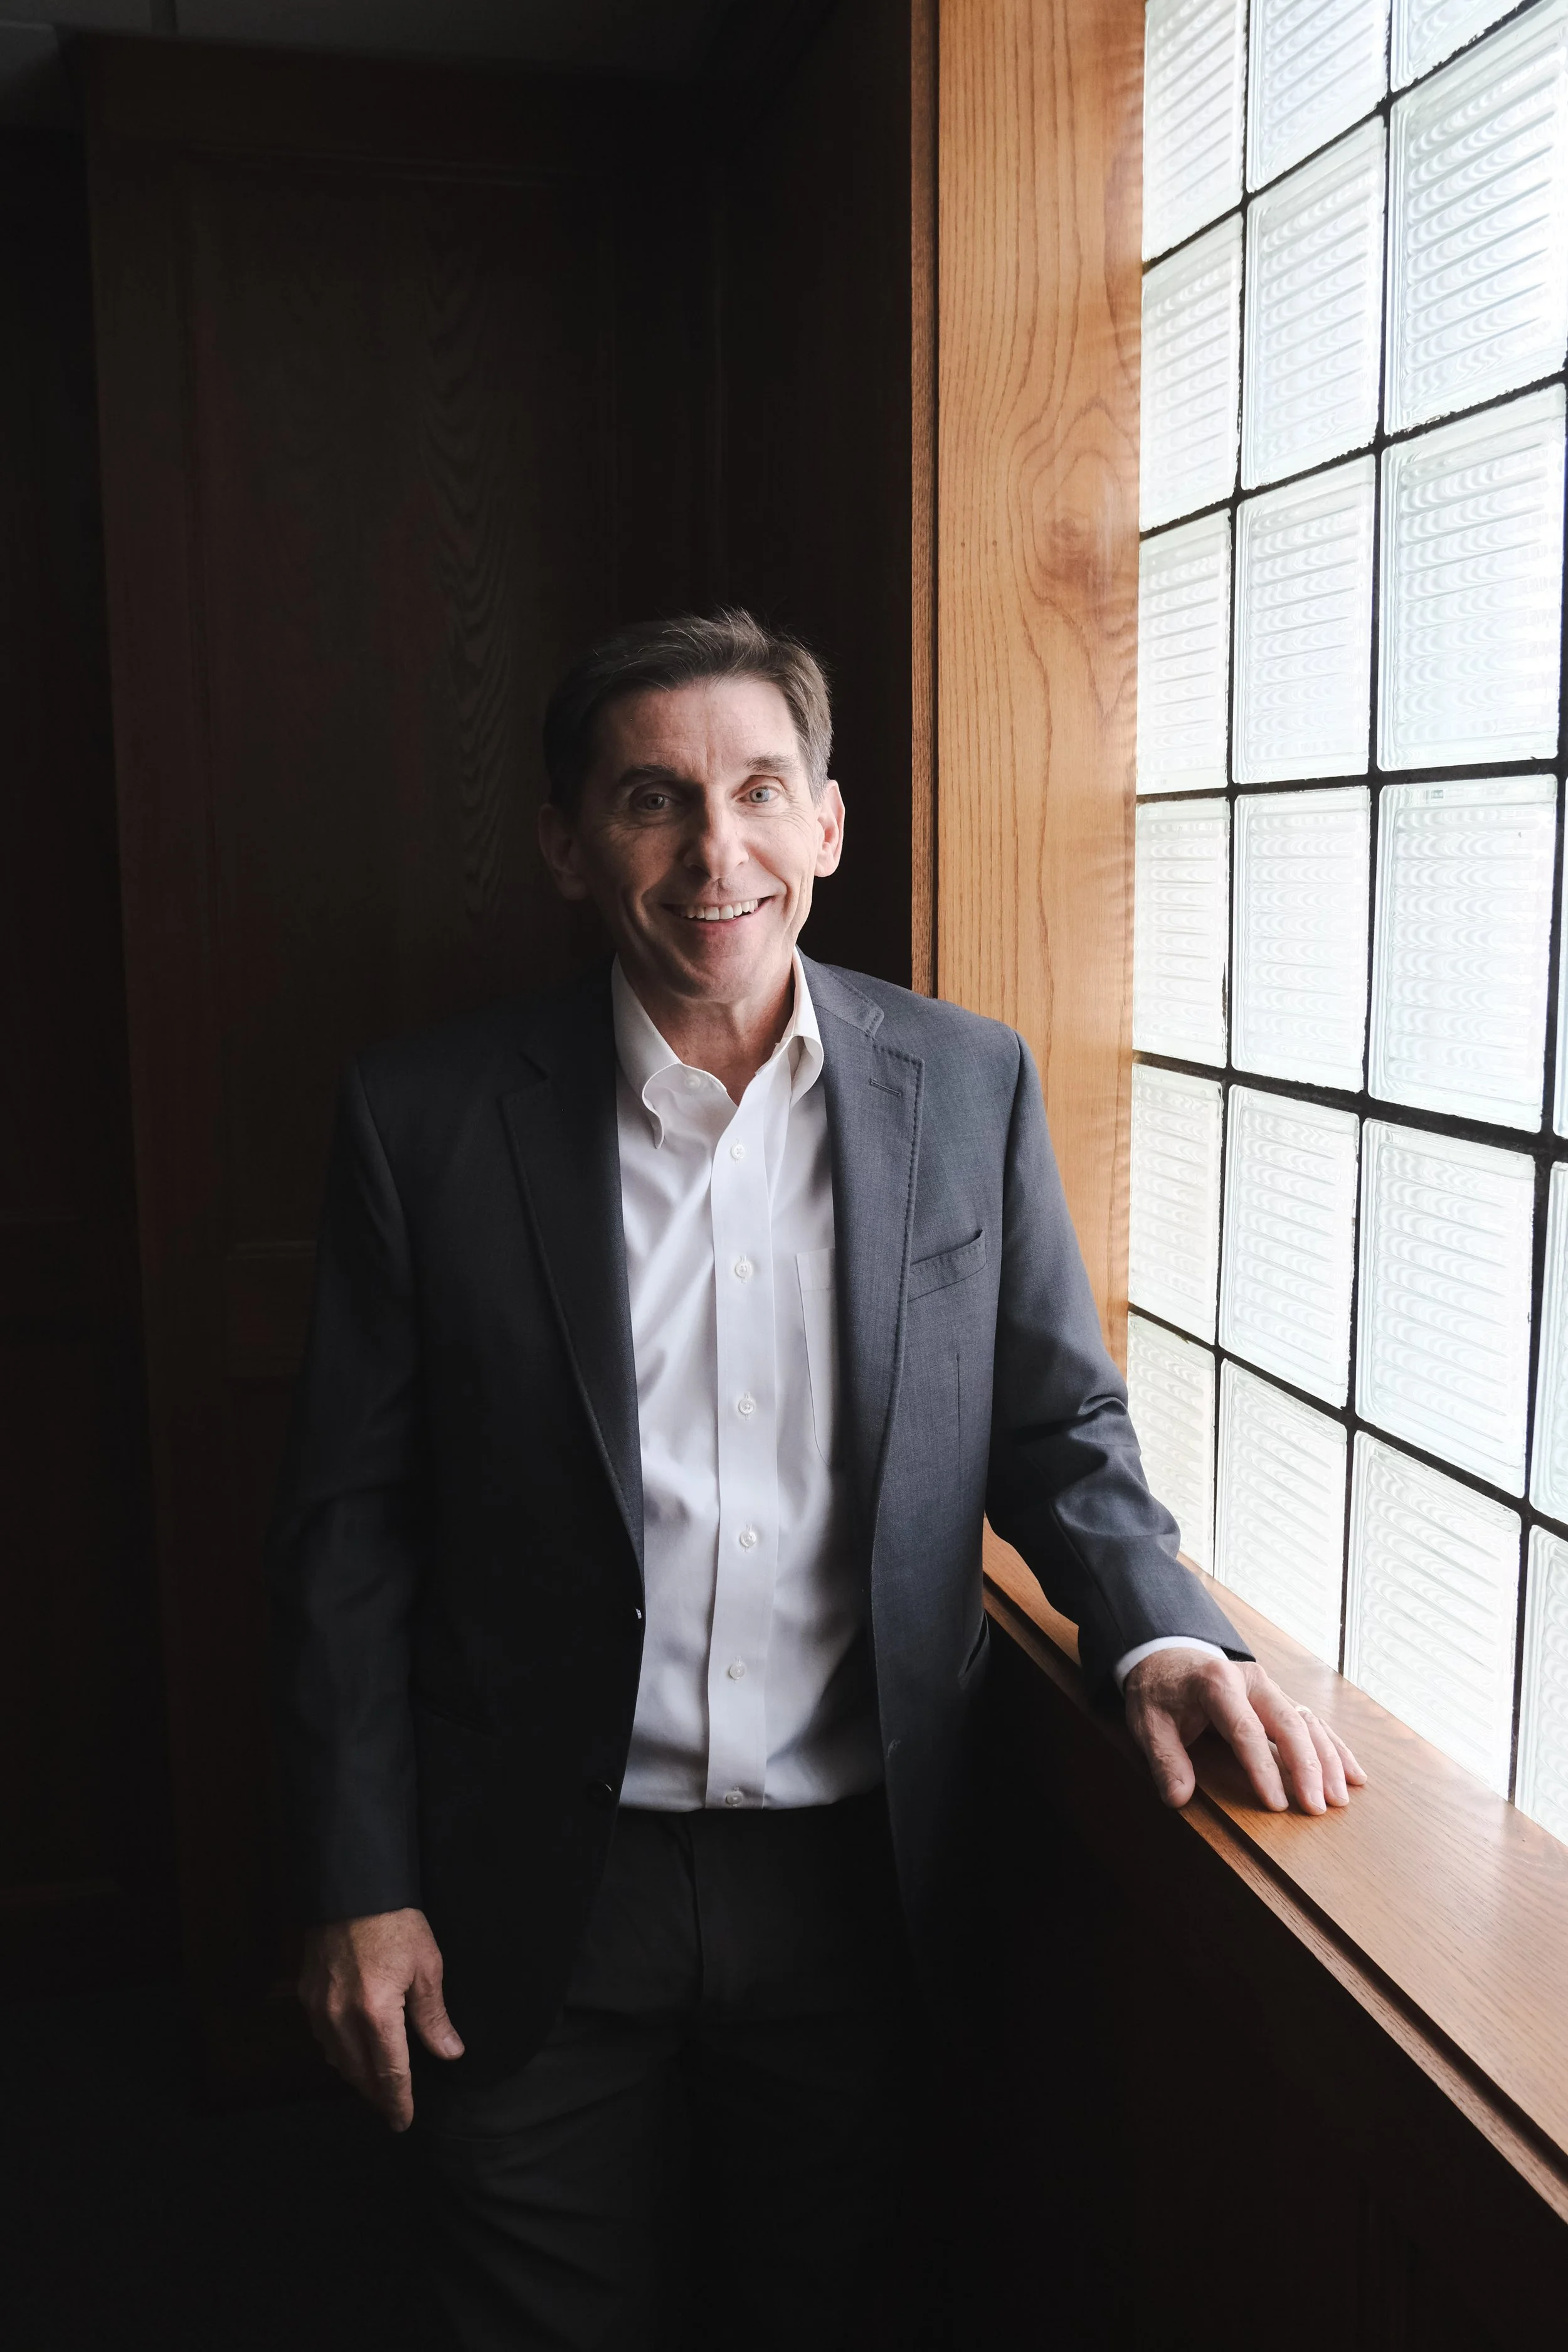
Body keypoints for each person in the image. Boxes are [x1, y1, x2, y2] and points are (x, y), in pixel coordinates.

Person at [268, 609, 1365, 2348]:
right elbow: (350, 1531)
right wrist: (356, 1871)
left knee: (838, 2310)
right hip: (530, 1884)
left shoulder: (966, 1082)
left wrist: (1162, 1638)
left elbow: (1054, 1424)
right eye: (653, 799)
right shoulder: (427, 1118)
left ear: (828, 825)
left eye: (760, 790)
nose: (718, 851)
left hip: (865, 1877)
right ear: (568, 839)